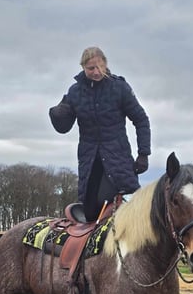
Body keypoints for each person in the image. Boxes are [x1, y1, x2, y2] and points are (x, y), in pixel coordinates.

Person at [49, 46, 151, 222]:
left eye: (99, 67)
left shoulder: (119, 88)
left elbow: (141, 119)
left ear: (105, 65)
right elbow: (64, 127)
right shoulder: (75, 92)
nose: (96, 72)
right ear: (83, 68)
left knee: (105, 203)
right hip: (89, 159)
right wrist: (57, 114)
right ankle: (87, 248)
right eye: (91, 68)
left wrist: (144, 153)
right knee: (89, 210)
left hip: (116, 157)